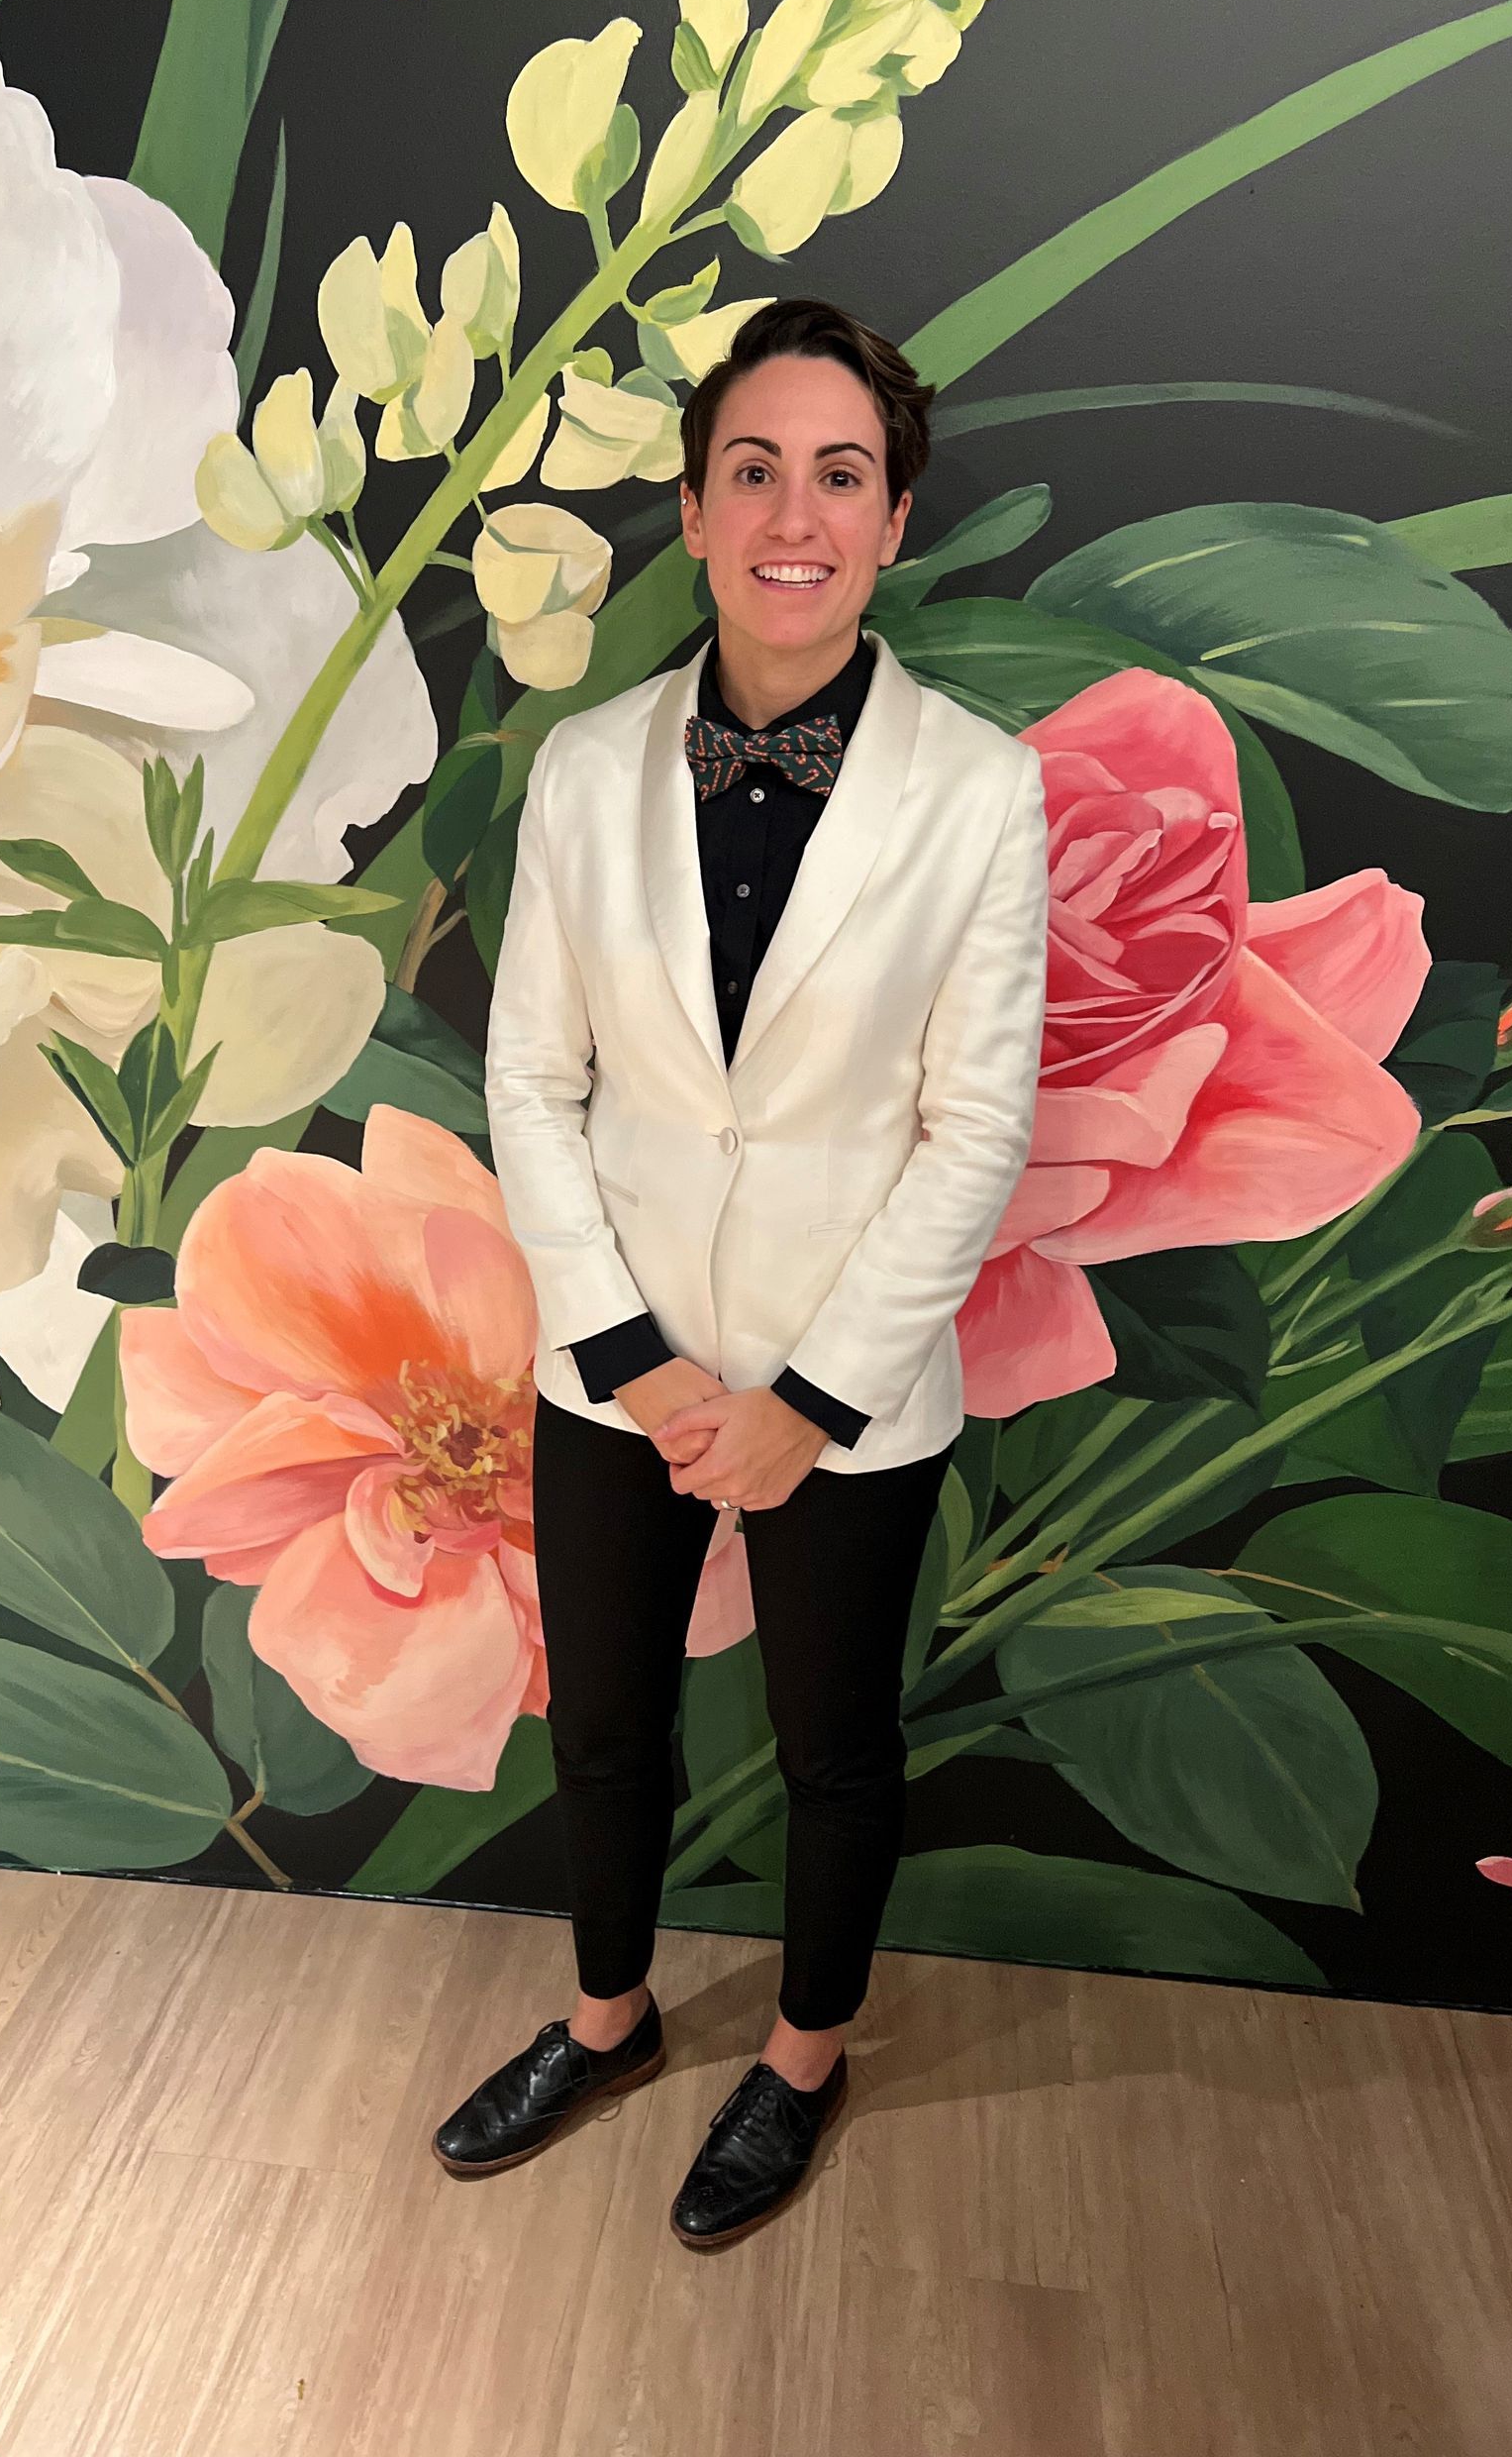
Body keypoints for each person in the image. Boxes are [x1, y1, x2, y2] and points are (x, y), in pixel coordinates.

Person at [433, 299, 1051, 2249]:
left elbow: (976, 1130)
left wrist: (810, 1401)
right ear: (696, 511)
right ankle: (607, 2016)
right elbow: (530, 1074)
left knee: (833, 1745)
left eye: (841, 473)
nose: (797, 510)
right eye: (755, 469)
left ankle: (800, 2054)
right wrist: (626, 1354)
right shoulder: (585, 765)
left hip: (837, 1383)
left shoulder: (980, 788)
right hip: (615, 1359)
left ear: (892, 520)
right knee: (603, 1722)